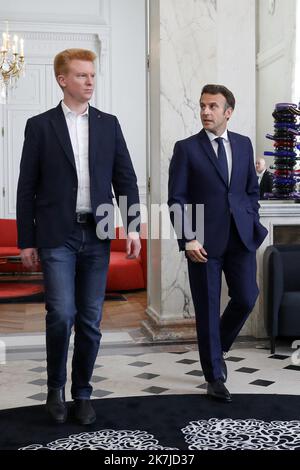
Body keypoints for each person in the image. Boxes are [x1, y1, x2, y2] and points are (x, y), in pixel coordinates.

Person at [16, 48, 141, 425]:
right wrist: (26, 240)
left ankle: (82, 392)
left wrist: (132, 226)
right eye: (82, 75)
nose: (90, 81)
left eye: (92, 75)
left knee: (90, 319)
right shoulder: (40, 126)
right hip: (57, 234)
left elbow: (126, 179)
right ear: (62, 80)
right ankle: (55, 387)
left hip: (98, 233)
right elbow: (26, 187)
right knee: (61, 314)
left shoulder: (109, 123)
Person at [168, 84, 268, 403]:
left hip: (241, 238)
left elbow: (250, 190)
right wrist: (188, 238)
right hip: (203, 243)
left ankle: (218, 345)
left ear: (228, 112)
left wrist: (250, 214)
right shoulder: (186, 149)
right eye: (202, 106)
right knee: (208, 309)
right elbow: (177, 199)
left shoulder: (243, 144)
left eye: (213, 106)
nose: (205, 112)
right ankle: (214, 376)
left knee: (247, 296)